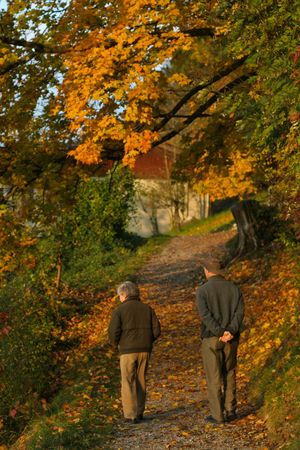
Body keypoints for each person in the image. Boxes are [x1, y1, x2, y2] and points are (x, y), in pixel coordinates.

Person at [196, 258, 244, 425]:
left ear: (208, 271)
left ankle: (218, 415)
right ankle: (231, 410)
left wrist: (219, 332)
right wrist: (230, 331)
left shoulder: (202, 291)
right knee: (229, 373)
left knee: (214, 377)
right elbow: (239, 313)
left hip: (211, 338)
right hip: (232, 338)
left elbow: (205, 315)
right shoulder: (234, 289)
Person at [108, 280, 161, 424]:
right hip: (145, 349)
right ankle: (139, 412)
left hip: (127, 350)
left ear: (124, 295)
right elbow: (157, 330)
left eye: (119, 296)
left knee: (127, 381)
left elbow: (113, 332)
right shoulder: (147, 308)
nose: (119, 298)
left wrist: (116, 344)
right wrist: (147, 341)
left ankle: (130, 415)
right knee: (141, 380)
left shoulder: (119, 311)